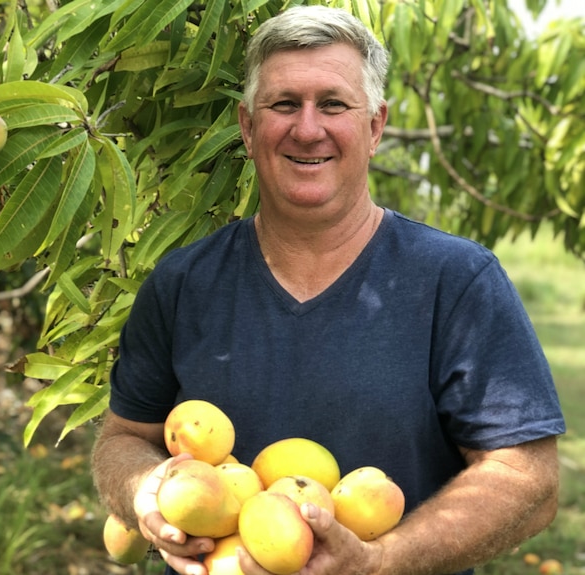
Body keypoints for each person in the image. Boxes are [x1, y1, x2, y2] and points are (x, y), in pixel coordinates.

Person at [90, 5, 566, 575]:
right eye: (284, 104)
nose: (308, 128)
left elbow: (529, 480)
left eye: (334, 104)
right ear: (247, 127)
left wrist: (382, 559)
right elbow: (122, 438)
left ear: (375, 126)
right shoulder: (182, 283)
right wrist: (145, 490)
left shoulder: (456, 281)